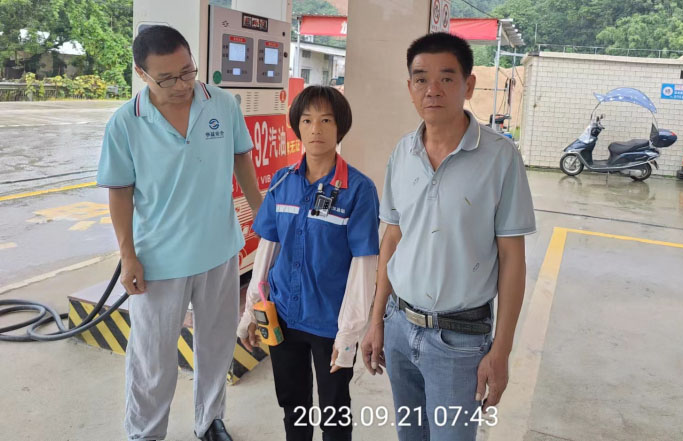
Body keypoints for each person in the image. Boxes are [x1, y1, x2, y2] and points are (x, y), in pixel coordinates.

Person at [361, 32, 536, 441]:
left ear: (468, 85)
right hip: (399, 327)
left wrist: (502, 351)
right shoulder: (402, 153)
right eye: (421, 79)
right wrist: (375, 320)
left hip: (460, 341)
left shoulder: (500, 157)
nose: (432, 90)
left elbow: (513, 259)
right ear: (409, 87)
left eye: (446, 78)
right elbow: (392, 239)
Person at [99, 25, 262, 441]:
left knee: (216, 346)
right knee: (151, 358)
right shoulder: (126, 122)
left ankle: (209, 421)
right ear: (141, 73)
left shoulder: (221, 103)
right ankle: (146, 432)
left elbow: (241, 157)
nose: (182, 84)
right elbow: (120, 192)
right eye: (167, 78)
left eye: (187, 71)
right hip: (158, 260)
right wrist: (128, 255)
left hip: (219, 249)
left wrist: (260, 209)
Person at [237, 85, 380, 441]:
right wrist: (252, 311)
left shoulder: (358, 189)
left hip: (329, 322)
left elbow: (364, 266)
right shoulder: (283, 182)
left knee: (334, 410)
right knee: (293, 406)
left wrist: (349, 334)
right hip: (283, 315)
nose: (316, 129)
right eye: (307, 120)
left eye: (326, 120)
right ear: (297, 127)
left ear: (340, 127)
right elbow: (268, 250)